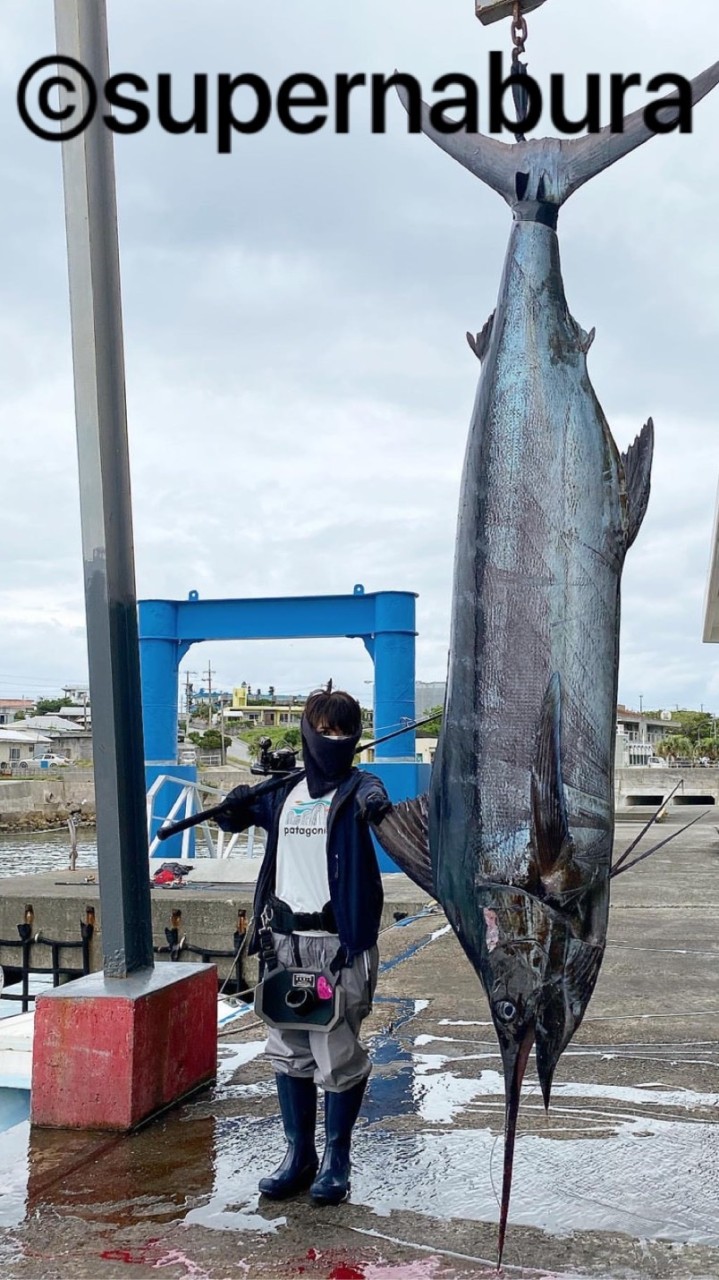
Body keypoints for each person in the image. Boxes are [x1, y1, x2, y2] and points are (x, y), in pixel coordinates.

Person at [217, 686, 392, 1205]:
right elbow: (232, 820)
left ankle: (337, 1159)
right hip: (285, 943)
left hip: (338, 947)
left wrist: (377, 807)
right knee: (288, 1051)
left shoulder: (361, 787)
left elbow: (376, 803)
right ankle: (299, 1155)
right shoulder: (282, 794)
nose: (334, 739)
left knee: (335, 1053)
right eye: (325, 729)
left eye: (345, 731)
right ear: (308, 732)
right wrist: (235, 803)